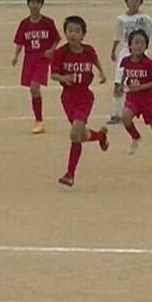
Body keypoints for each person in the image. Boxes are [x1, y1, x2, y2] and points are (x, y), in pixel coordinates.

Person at [49, 16, 110, 187]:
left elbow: (95, 59)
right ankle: (100, 136)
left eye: (77, 31)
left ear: (83, 34)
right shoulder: (61, 53)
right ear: (65, 32)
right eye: (70, 31)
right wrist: (63, 77)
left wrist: (102, 72)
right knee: (80, 135)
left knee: (74, 133)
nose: (73, 34)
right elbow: (52, 75)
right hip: (68, 98)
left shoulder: (88, 50)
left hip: (84, 96)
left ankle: (70, 174)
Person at [118, 29, 152, 170]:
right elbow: (123, 74)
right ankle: (135, 137)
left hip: (148, 100)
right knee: (125, 117)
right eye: (136, 42)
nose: (138, 46)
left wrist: (141, 87)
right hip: (132, 98)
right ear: (130, 45)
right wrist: (120, 85)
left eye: (142, 43)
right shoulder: (125, 61)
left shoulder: (148, 64)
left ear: (146, 46)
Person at [11, 0, 59, 134]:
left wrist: (51, 50)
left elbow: (56, 39)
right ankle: (38, 118)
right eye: (32, 2)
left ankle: (39, 120)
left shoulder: (48, 22)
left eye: (37, 3)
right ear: (28, 4)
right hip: (29, 58)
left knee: (34, 87)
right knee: (33, 91)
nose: (35, 6)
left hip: (42, 59)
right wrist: (16, 56)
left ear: (42, 4)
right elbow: (20, 42)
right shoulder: (24, 24)